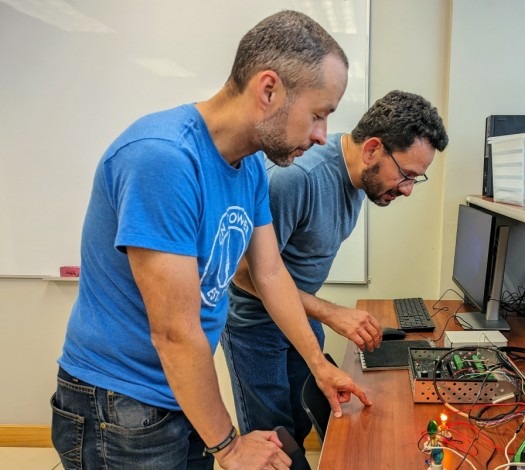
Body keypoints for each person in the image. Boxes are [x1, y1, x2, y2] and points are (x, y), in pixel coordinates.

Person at [51, 10, 371, 470]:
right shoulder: (163, 159)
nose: (323, 136)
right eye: (318, 115)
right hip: (119, 403)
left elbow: (269, 273)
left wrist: (319, 366)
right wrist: (230, 446)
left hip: (181, 390)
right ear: (268, 90)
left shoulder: (251, 168)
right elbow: (174, 332)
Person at [221, 90, 449, 453]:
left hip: (298, 315)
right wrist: (331, 312)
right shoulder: (296, 179)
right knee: (273, 445)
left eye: (415, 179)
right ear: (372, 149)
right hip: (254, 327)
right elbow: (245, 275)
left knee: (298, 426)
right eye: (406, 175)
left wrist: (322, 317)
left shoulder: (362, 178)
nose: (407, 190)